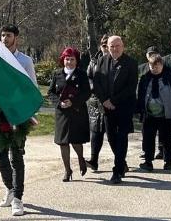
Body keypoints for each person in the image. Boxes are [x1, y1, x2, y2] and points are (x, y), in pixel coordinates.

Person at [0, 24, 37, 216]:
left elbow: (32, 88)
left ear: (16, 38)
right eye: (3, 35)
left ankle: (18, 199)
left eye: (8, 35)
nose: (5, 38)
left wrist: (29, 113)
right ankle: (10, 188)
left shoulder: (25, 61)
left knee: (16, 156)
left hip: (18, 113)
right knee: (0, 156)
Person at [91, 35, 138, 184]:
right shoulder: (102, 60)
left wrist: (113, 101)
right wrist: (104, 100)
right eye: (111, 46)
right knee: (111, 138)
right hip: (106, 107)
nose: (114, 49)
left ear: (123, 47)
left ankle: (117, 171)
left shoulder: (131, 63)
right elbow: (96, 82)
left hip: (123, 106)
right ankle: (122, 163)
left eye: (117, 46)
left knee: (122, 137)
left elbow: (131, 87)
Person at [48, 47, 92, 181]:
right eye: (67, 59)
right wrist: (59, 103)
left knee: (76, 140)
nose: (69, 62)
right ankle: (67, 170)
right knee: (63, 142)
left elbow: (87, 93)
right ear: (63, 59)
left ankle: (81, 159)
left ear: (76, 60)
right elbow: (51, 93)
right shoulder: (57, 74)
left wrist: (73, 102)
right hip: (62, 113)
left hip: (77, 112)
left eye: (72, 59)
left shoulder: (82, 74)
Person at [136, 54, 171, 171]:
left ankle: (168, 162)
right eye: (151, 65)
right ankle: (148, 161)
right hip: (149, 114)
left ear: (161, 65)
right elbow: (140, 95)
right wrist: (140, 110)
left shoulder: (169, 78)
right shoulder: (145, 78)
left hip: (166, 114)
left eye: (156, 65)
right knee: (148, 139)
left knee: (167, 139)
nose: (154, 68)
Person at [86, 35, 110, 172]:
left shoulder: (115, 60)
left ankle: (121, 161)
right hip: (95, 101)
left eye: (108, 45)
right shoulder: (94, 60)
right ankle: (94, 160)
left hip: (111, 101)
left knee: (114, 134)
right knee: (96, 131)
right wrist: (93, 87)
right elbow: (88, 77)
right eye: (104, 45)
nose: (106, 48)